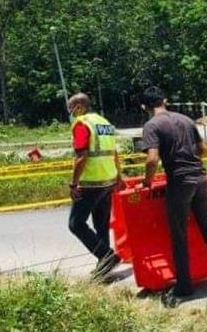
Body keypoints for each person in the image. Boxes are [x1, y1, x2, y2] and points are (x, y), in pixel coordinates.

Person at [140, 86, 207, 308]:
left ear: (145, 107)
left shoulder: (151, 125)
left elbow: (152, 159)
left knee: (179, 234)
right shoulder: (186, 120)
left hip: (179, 182)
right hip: (199, 177)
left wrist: (147, 181)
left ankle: (184, 285)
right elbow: (204, 149)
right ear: (165, 100)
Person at [68, 92, 122, 279]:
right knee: (101, 224)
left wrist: (73, 183)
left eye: (72, 107)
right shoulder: (104, 122)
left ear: (81, 106)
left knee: (76, 224)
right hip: (108, 179)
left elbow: (81, 156)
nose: (71, 111)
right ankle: (105, 266)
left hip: (90, 182)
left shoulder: (82, 124)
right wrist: (119, 176)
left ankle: (106, 256)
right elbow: (114, 152)